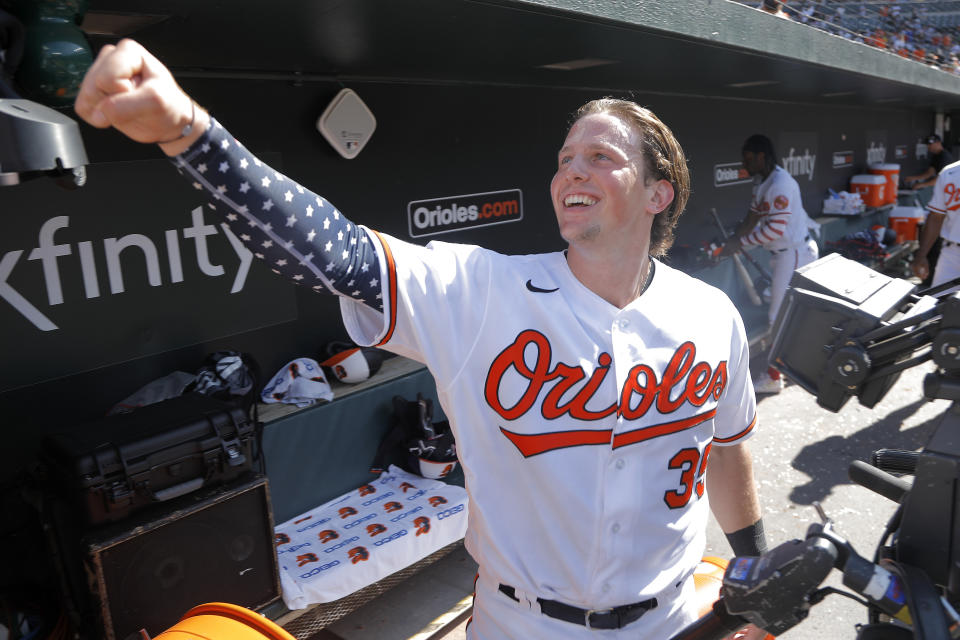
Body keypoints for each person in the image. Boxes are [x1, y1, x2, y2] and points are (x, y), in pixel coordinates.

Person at [75, 39, 769, 640]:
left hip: (675, 616)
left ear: (659, 193)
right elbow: (332, 251)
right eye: (564, 158)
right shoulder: (482, 290)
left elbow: (729, 448)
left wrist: (753, 559)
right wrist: (191, 134)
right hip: (525, 622)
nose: (572, 171)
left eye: (601, 156)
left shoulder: (711, 316)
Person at [720, 134, 819, 395]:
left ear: (762, 156)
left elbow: (775, 230)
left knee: (779, 316)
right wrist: (732, 239)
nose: (746, 163)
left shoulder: (780, 184)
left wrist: (741, 244)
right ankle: (800, 366)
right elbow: (752, 219)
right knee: (791, 314)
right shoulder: (761, 182)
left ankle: (775, 376)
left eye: (749, 158)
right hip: (785, 254)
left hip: (795, 253)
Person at [910, 155, 960, 292]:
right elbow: (936, 217)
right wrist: (921, 254)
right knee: (938, 307)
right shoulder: (949, 173)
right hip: (952, 254)